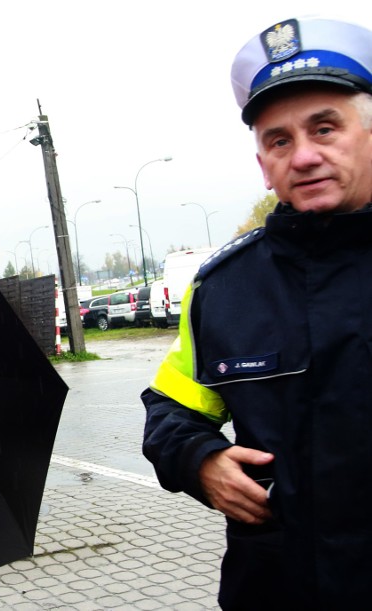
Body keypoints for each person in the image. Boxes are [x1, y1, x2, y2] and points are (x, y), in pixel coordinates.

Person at [142, 16, 372, 611]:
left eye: (325, 129)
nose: (303, 156)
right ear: (262, 162)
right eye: (279, 140)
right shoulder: (223, 288)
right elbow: (171, 410)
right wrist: (201, 460)